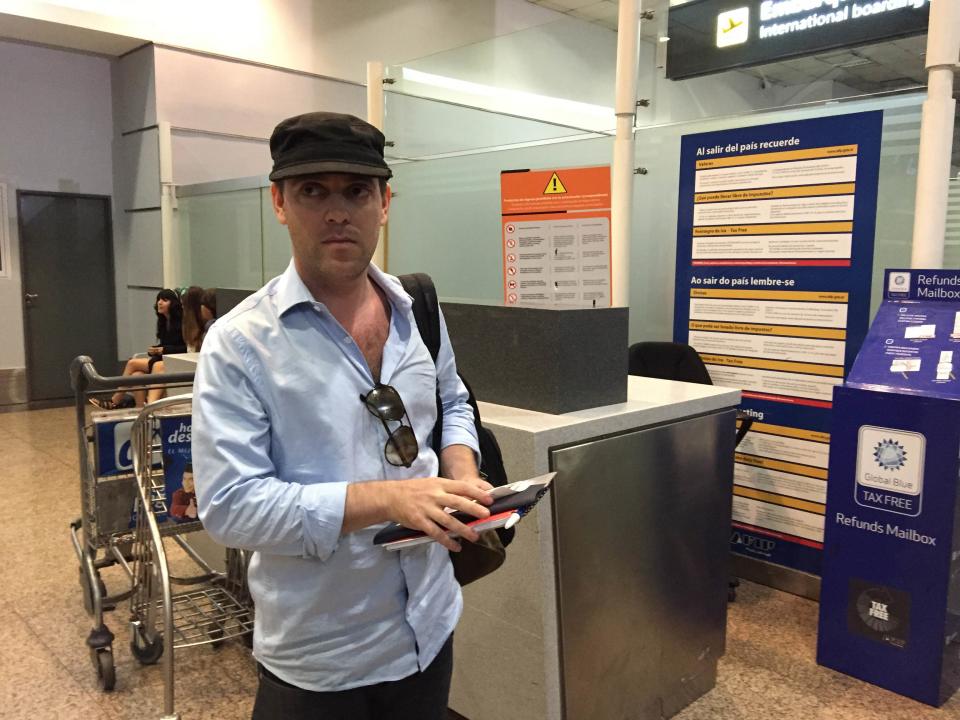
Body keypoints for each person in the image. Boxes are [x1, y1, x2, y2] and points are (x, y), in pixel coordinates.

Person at [192, 111, 493, 720]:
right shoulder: (241, 344)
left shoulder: (417, 312)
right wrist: (388, 500)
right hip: (322, 659)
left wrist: (460, 467)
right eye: (313, 191)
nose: (337, 211)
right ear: (279, 202)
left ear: (385, 202)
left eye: (356, 191)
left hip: (429, 626)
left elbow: (452, 399)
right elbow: (230, 507)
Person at [92, 289, 185, 409]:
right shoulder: (163, 322)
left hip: (173, 361)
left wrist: (162, 350)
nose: (160, 303)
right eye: (158, 300)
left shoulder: (182, 322)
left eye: (164, 300)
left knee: (132, 363)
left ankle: (115, 400)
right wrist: (155, 350)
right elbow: (167, 345)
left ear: (173, 304)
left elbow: (185, 348)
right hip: (162, 359)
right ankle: (140, 408)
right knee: (136, 374)